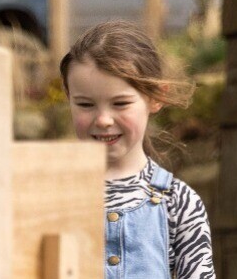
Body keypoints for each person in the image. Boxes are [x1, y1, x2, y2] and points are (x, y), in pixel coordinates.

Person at [60, 21, 213, 279]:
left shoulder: (179, 203)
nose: (103, 120)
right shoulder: (49, 195)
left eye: (120, 103)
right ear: (68, 97)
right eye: (86, 104)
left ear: (155, 98)